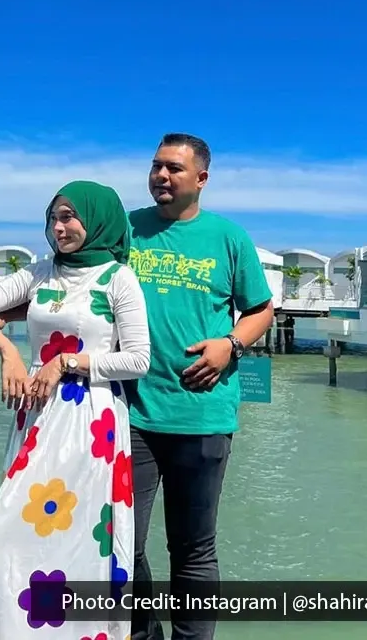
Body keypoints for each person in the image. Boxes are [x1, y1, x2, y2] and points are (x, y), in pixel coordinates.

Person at [0, 180, 151, 640]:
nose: (58, 228)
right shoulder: (41, 272)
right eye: (53, 218)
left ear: (97, 220)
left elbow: (139, 359)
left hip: (89, 423)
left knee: (75, 536)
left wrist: (66, 361)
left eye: (69, 217)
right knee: (7, 532)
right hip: (36, 416)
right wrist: (8, 350)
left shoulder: (117, 278)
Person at [126, 133, 274, 640]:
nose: (161, 177)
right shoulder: (127, 230)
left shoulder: (229, 238)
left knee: (192, 548)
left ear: (201, 179)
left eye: (174, 169)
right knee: (126, 543)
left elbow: (261, 310)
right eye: (155, 167)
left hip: (203, 413)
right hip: (130, 415)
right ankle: (144, 634)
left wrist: (230, 345)